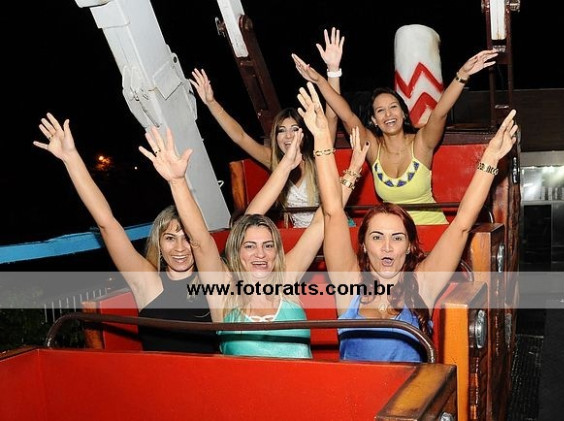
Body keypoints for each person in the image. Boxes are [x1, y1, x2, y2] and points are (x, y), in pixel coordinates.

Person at [297, 82, 517, 362]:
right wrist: (321, 141)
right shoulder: (349, 283)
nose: (387, 247)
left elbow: (462, 223)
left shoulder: (422, 283)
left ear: (410, 246)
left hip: (412, 391)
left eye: (397, 237)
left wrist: (490, 158)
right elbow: (332, 213)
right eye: (377, 237)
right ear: (363, 245)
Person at [138, 122, 367, 359]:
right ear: (237, 253)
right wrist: (177, 182)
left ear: (277, 251)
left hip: (304, 381)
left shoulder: (285, 278)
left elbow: (322, 220)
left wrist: (352, 172)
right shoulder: (223, 293)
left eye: (268, 246)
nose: (260, 254)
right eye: (250, 246)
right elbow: (199, 242)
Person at [33, 113, 218, 353]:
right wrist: (71, 158)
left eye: (186, 239)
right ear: (159, 243)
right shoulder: (149, 284)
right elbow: (107, 224)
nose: (180, 248)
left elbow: (202, 242)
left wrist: (177, 181)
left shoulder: (214, 281)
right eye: (170, 238)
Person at [292, 49, 499, 225]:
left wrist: (463, 74)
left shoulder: (421, 143)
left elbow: (439, 113)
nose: (388, 115)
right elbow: (346, 116)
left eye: (393, 107)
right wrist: (319, 80)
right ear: (374, 120)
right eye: (380, 111)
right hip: (395, 236)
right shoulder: (372, 148)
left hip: (433, 230)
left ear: (403, 113)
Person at [190, 28, 345, 228]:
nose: (288, 136)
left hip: (331, 229)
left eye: (294, 129)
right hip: (301, 236)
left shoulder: (318, 156)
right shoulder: (274, 160)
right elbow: (240, 137)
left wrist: (333, 70)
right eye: (281, 131)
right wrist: (211, 103)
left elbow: (332, 117)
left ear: (305, 134)